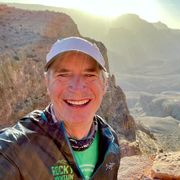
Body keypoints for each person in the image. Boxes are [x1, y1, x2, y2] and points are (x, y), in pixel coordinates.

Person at [0, 37, 120, 179]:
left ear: (105, 84)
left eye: (89, 75)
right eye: (63, 75)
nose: (77, 88)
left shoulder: (110, 141)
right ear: (47, 83)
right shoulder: (13, 149)